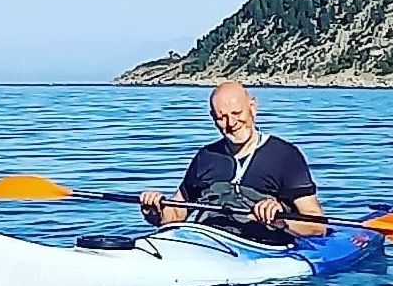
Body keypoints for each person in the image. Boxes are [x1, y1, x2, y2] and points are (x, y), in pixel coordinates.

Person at [138, 81, 327, 244]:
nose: (231, 123)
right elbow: (176, 216)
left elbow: (318, 226)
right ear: (213, 118)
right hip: (206, 244)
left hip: (261, 248)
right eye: (222, 117)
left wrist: (281, 221)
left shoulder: (285, 156)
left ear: (252, 107)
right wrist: (154, 210)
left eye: (237, 113)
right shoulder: (206, 157)